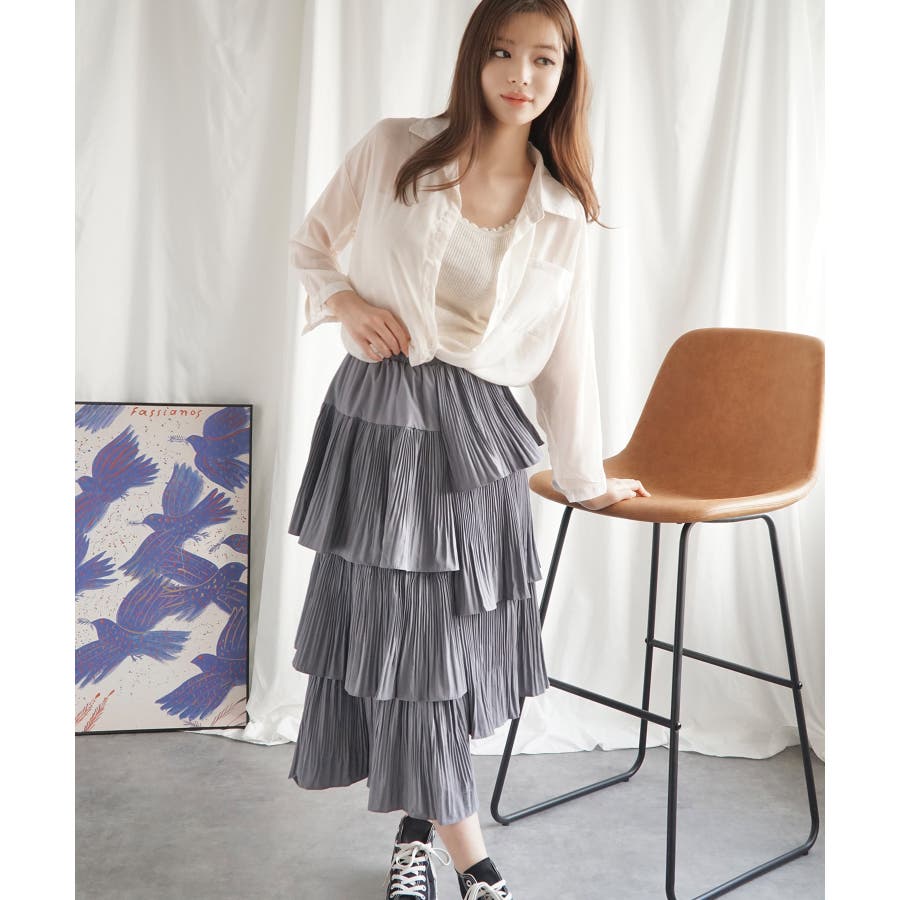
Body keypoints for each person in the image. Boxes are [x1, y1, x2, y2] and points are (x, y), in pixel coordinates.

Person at [286, 1, 650, 897]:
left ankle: (415, 833)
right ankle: (475, 865)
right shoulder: (394, 148)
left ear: (567, 74)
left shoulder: (563, 207)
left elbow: (566, 352)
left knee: (445, 654)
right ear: (473, 59)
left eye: (544, 59)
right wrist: (348, 305)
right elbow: (311, 245)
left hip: (479, 436)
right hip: (384, 419)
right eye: (502, 52)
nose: (521, 76)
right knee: (407, 644)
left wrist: (587, 477)